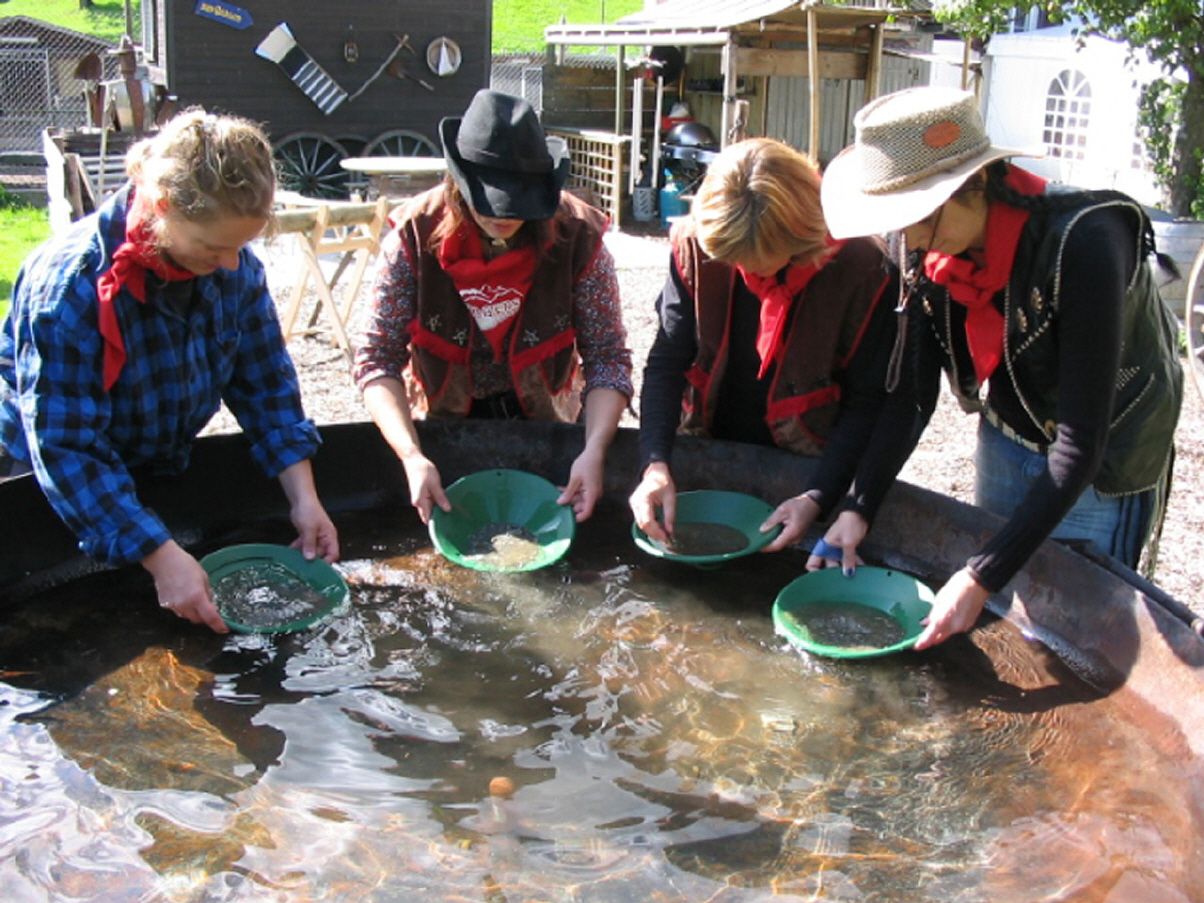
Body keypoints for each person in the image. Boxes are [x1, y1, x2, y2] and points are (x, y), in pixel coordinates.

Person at [816, 86, 1182, 649]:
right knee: (1011, 613)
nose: (904, 237)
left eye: (914, 216)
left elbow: (1080, 447)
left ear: (972, 186)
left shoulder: (1086, 244)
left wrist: (979, 572)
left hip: (1107, 451)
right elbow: (911, 397)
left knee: (1083, 624)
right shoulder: (918, 248)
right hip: (1010, 427)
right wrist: (859, 506)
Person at [0, 109, 340, 633]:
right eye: (213, 248)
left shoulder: (234, 270)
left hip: (152, 461)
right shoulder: (71, 288)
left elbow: (266, 385)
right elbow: (66, 446)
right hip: (52, 479)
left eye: (240, 248)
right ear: (161, 207)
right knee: (69, 624)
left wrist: (305, 499)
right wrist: (161, 556)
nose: (231, 264)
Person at [354, 90, 633, 524]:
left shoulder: (580, 237)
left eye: (519, 200)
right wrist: (410, 455)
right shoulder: (411, 236)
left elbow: (608, 359)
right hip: (443, 428)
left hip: (551, 426)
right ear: (458, 182)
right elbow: (376, 359)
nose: (503, 214)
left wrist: (593, 451)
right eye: (489, 199)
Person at [629, 138, 899, 551]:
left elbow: (867, 402)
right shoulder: (696, 245)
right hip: (712, 433)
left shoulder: (862, 267)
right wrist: (654, 462)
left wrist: (820, 496)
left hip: (809, 457)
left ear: (801, 238)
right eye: (731, 258)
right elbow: (667, 359)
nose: (742, 270)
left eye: (756, 261)